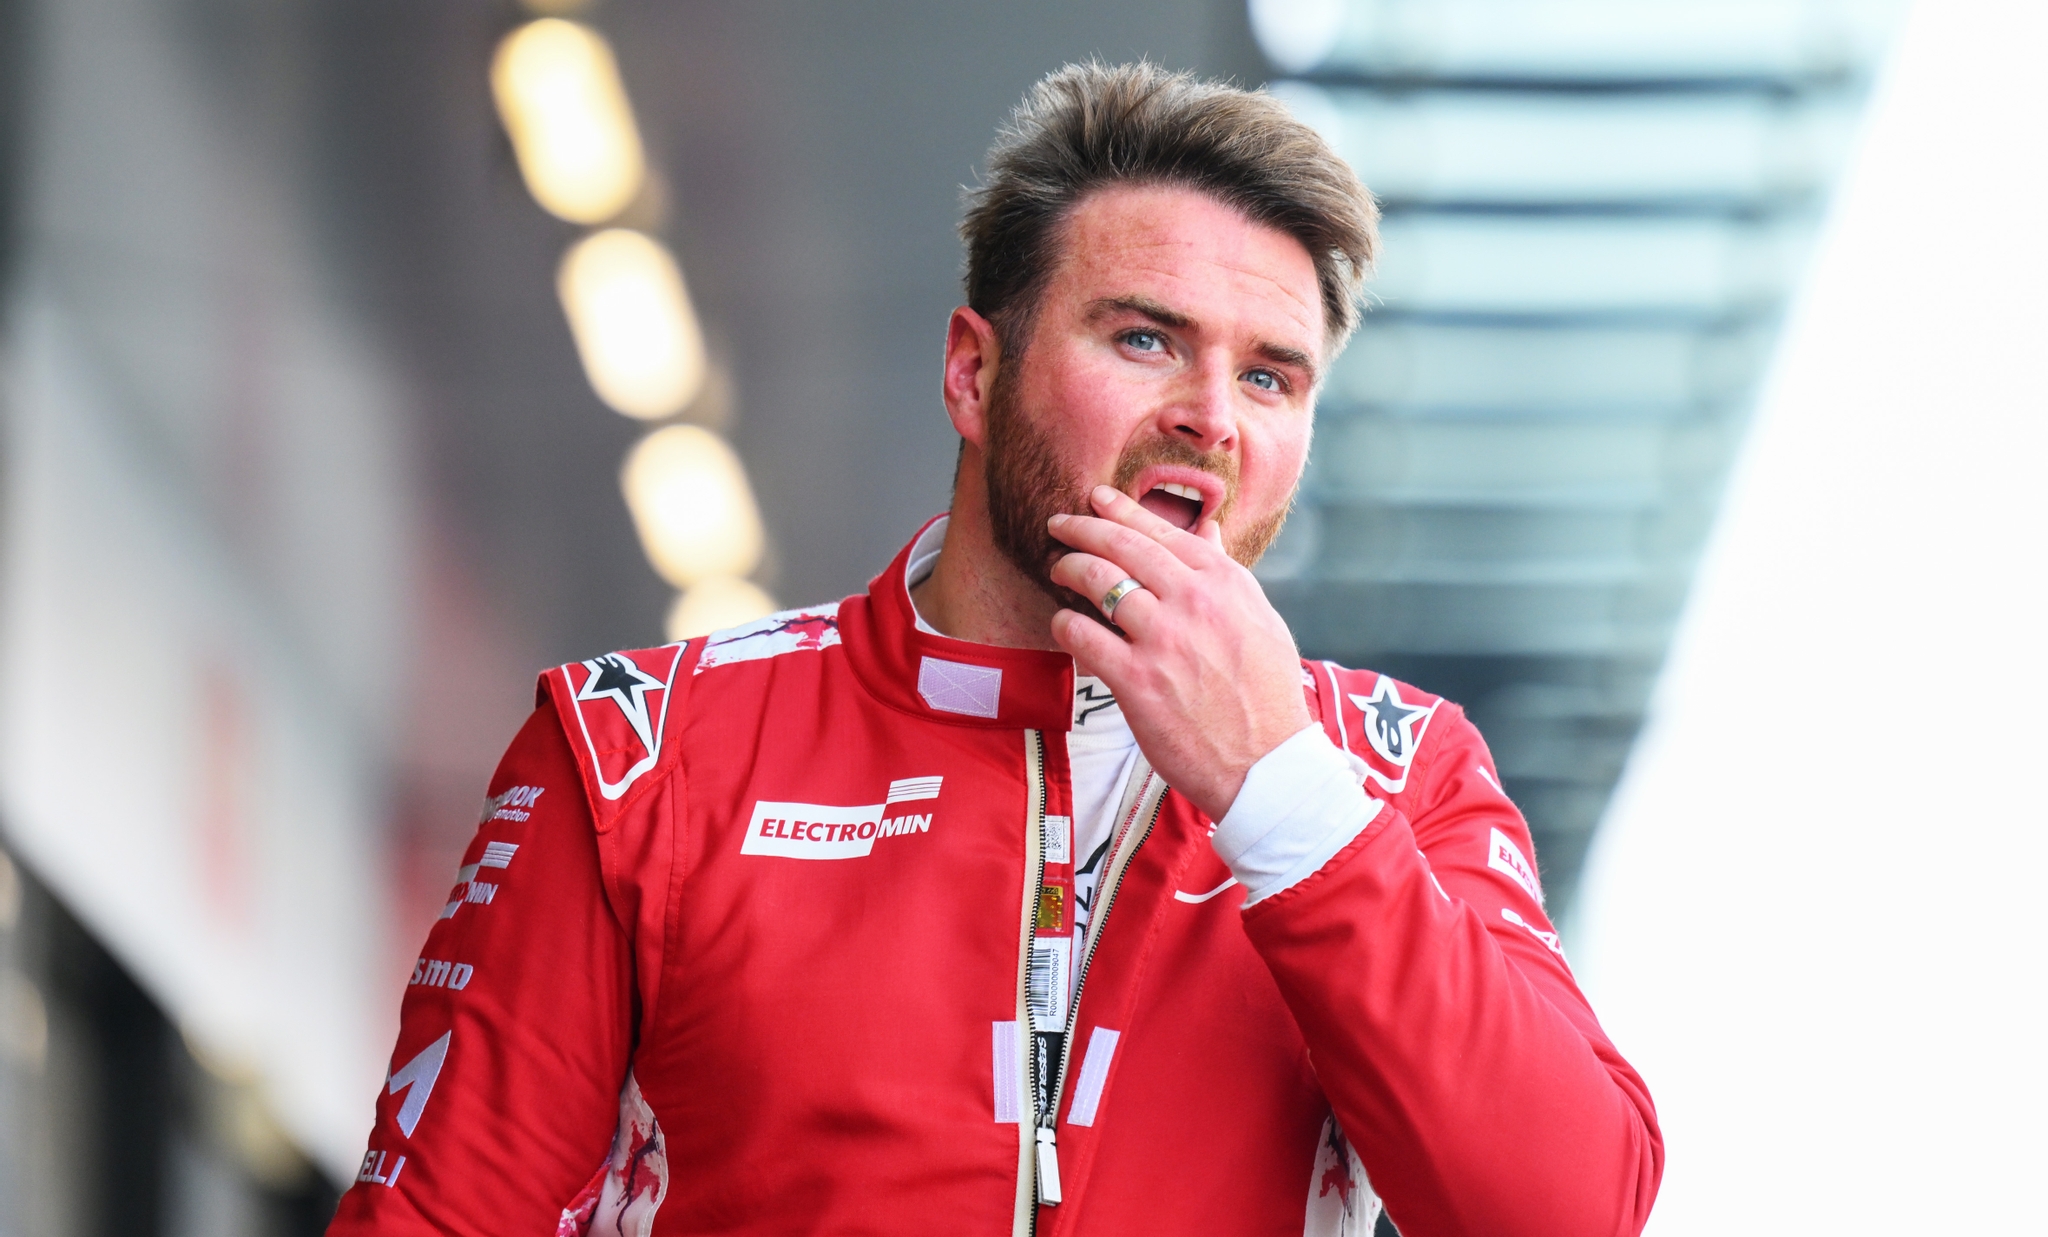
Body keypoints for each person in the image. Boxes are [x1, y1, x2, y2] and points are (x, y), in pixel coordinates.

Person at [328, 62, 1660, 1237]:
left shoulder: (1398, 774)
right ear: (974, 372)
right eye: (1145, 338)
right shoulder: (638, 758)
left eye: (1271, 376)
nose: (1210, 418)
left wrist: (1281, 792)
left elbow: (1564, 1210)